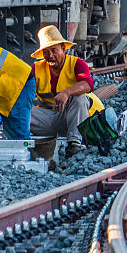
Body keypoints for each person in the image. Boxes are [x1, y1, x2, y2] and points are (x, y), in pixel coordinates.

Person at [28, 25, 105, 159]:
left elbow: (88, 85)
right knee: (20, 110)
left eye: (54, 50)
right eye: (46, 52)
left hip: (77, 120)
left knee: (80, 98)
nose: (50, 56)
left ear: (63, 49)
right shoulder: (36, 69)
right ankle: (18, 140)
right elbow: (23, 89)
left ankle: (74, 144)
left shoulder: (77, 64)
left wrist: (67, 93)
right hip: (48, 120)